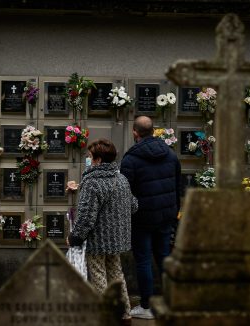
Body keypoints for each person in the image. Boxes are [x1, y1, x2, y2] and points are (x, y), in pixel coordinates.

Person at [68, 138, 138, 325]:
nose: (88, 159)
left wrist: (74, 237)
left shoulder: (92, 182)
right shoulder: (121, 178)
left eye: (90, 156)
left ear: (98, 160)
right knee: (117, 276)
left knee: (98, 277)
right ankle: (125, 316)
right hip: (118, 240)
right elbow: (134, 206)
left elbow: (86, 217)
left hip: (97, 241)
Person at [120, 116, 181, 319]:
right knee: (164, 257)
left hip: (142, 219)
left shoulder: (130, 159)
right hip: (166, 216)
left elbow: (124, 193)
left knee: (143, 260)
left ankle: (146, 307)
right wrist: (173, 214)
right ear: (154, 131)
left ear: (135, 133)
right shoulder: (171, 155)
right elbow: (177, 187)